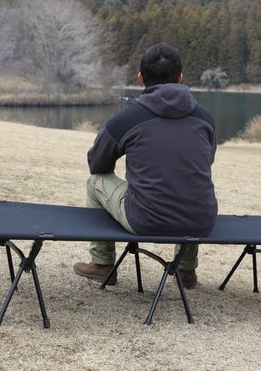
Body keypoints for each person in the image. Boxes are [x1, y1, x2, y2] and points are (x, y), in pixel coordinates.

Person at [73, 42, 218, 289]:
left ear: (141, 78)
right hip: (200, 219)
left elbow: (97, 164)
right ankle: (186, 270)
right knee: (189, 184)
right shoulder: (205, 118)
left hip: (145, 219)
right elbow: (207, 160)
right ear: (180, 78)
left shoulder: (127, 119)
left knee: (94, 182)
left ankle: (102, 263)